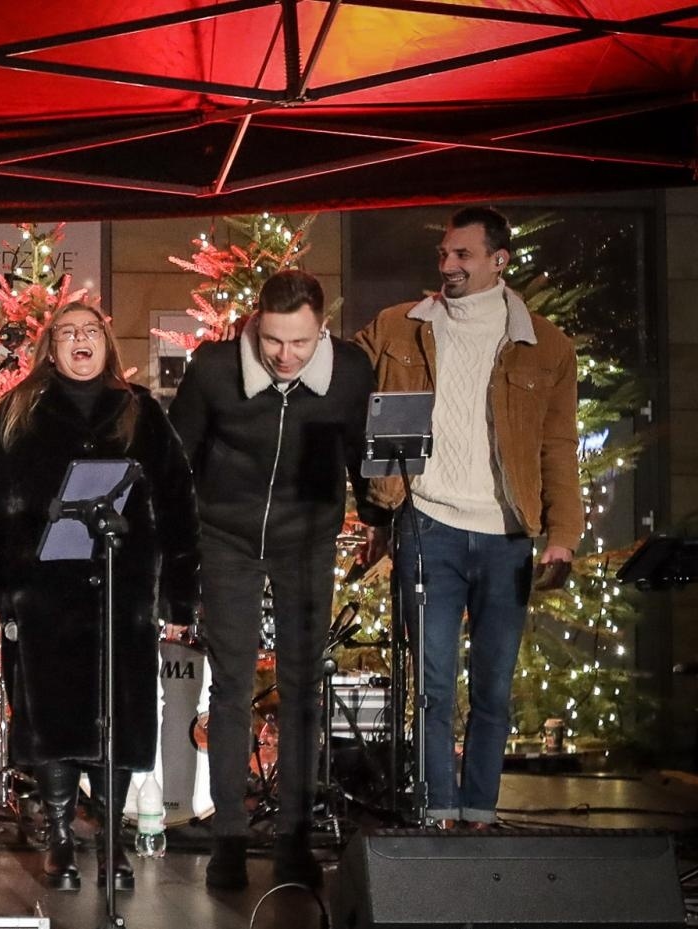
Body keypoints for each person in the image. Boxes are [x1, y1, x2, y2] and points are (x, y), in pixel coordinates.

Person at [0, 300, 198, 893]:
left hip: (123, 594)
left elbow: (177, 503)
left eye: (90, 330)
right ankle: (62, 838)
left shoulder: (139, 410)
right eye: (66, 333)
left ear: (106, 342)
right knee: (53, 717)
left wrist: (179, 594)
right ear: (51, 349)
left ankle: (114, 839)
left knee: (120, 714)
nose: (80, 341)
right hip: (45, 597)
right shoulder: (20, 410)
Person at [357, 206, 580, 828]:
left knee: (493, 688)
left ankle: (479, 809)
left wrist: (563, 535)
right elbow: (344, 380)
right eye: (444, 255)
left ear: (498, 261)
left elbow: (558, 445)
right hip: (427, 523)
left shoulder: (547, 343)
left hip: (507, 535)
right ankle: (436, 807)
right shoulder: (400, 326)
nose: (448, 266)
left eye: (463, 256)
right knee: (429, 684)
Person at [169, 270, 381, 891]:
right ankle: (229, 836)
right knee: (231, 683)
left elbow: (360, 452)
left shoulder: (349, 371)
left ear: (322, 330)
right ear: (256, 325)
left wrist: (378, 517)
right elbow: (177, 458)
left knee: (301, 685)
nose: (286, 357)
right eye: (274, 342)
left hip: (307, 538)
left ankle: (293, 837)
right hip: (226, 535)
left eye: (301, 343)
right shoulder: (213, 368)